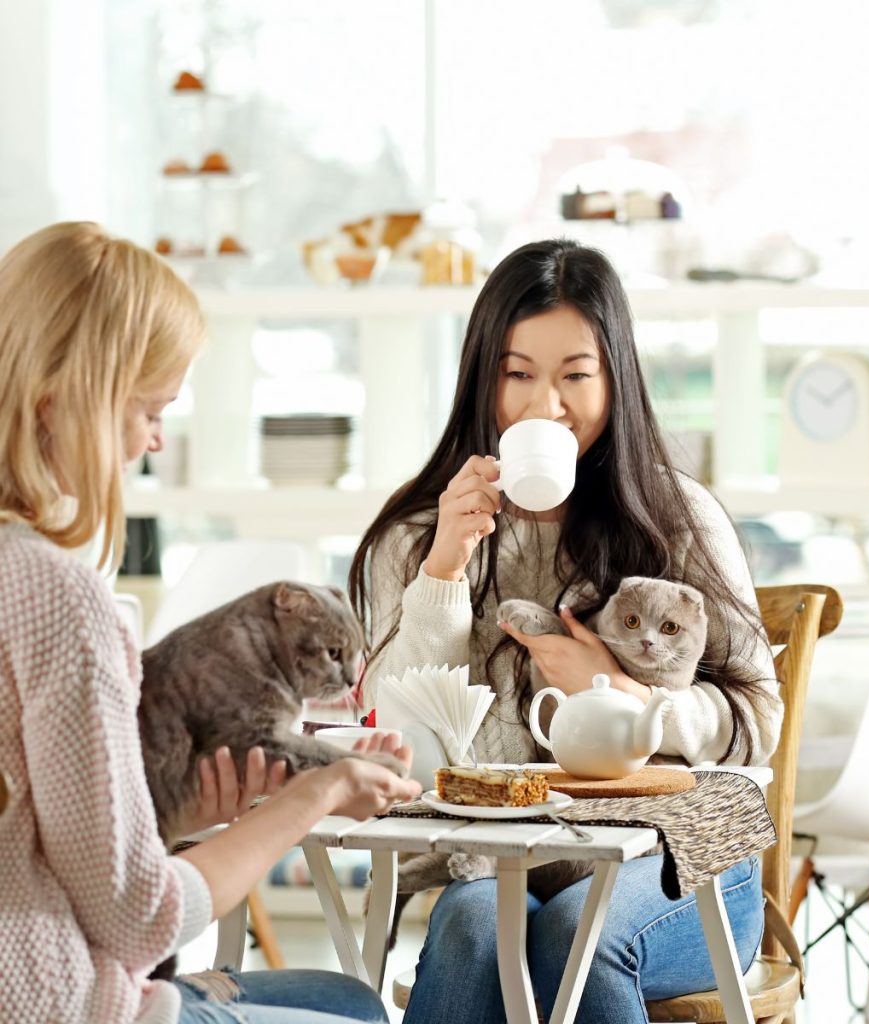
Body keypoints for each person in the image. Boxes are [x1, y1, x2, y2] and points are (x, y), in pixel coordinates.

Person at [350, 238, 782, 1023]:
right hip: (510, 867)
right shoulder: (416, 537)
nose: (544, 406)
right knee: (471, 926)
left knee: (570, 936)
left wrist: (620, 697)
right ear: (484, 379)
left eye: (575, 376)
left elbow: (759, 718)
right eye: (518, 374)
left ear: (616, 381)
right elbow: (398, 739)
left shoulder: (675, 518)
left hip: (686, 865)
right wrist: (444, 573)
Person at [0, 222, 422, 1024]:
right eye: (148, 409)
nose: (155, 440)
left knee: (343, 998)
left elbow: (41, 845)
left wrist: (175, 814)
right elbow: (136, 922)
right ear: (69, 400)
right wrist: (314, 796)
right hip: (43, 999)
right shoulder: (59, 598)